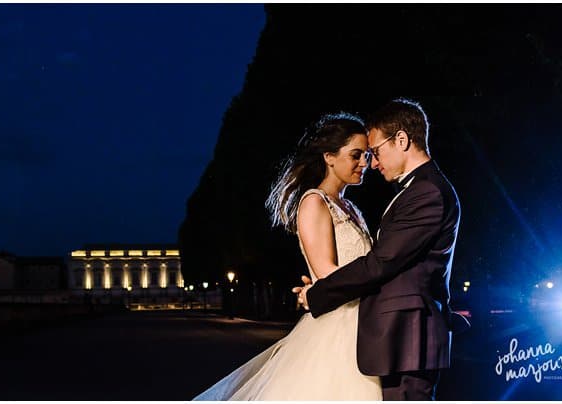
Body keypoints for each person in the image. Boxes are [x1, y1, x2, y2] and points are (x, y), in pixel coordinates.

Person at [195, 112, 383, 400]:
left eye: (368, 156)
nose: (364, 164)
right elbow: (326, 273)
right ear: (329, 157)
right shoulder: (313, 202)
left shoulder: (349, 207)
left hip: (363, 323)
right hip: (339, 329)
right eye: (356, 155)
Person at [295, 98, 465, 401]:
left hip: (407, 336)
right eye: (361, 155)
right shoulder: (416, 190)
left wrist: (318, 292)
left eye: (374, 152)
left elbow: (381, 262)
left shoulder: (425, 191)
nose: (372, 163)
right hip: (390, 334)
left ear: (401, 139)